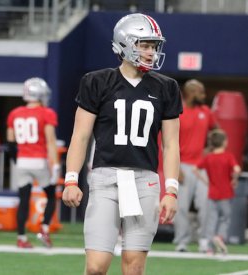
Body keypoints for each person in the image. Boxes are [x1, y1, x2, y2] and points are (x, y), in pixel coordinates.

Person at [62, 13, 181, 274]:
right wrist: (71, 179)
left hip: (145, 181)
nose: (151, 52)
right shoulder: (97, 81)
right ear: (125, 44)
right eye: (145, 45)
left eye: (154, 46)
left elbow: (171, 144)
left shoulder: (167, 87)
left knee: (134, 268)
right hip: (105, 177)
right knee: (95, 267)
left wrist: (171, 190)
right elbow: (80, 136)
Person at [7, 77, 60, 248]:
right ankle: (44, 228)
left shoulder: (15, 113)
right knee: (51, 195)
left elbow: (10, 140)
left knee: (24, 199)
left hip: (22, 161)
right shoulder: (47, 113)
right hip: (38, 161)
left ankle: (21, 237)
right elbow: (51, 141)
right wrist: (56, 164)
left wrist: (17, 159)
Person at [173, 79, 217, 253]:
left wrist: (210, 148)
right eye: (200, 92)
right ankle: (182, 242)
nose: (204, 95)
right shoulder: (178, 112)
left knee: (206, 204)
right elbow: (168, 142)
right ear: (190, 93)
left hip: (201, 168)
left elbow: (217, 131)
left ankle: (204, 241)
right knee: (181, 206)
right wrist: (175, 168)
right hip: (182, 166)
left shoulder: (206, 111)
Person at [194, 129, 241, 255]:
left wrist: (206, 182)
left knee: (211, 220)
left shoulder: (208, 157)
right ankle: (220, 236)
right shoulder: (228, 156)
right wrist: (234, 180)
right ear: (224, 142)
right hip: (226, 194)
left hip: (212, 194)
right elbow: (237, 169)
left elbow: (195, 169)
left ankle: (209, 247)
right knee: (225, 218)